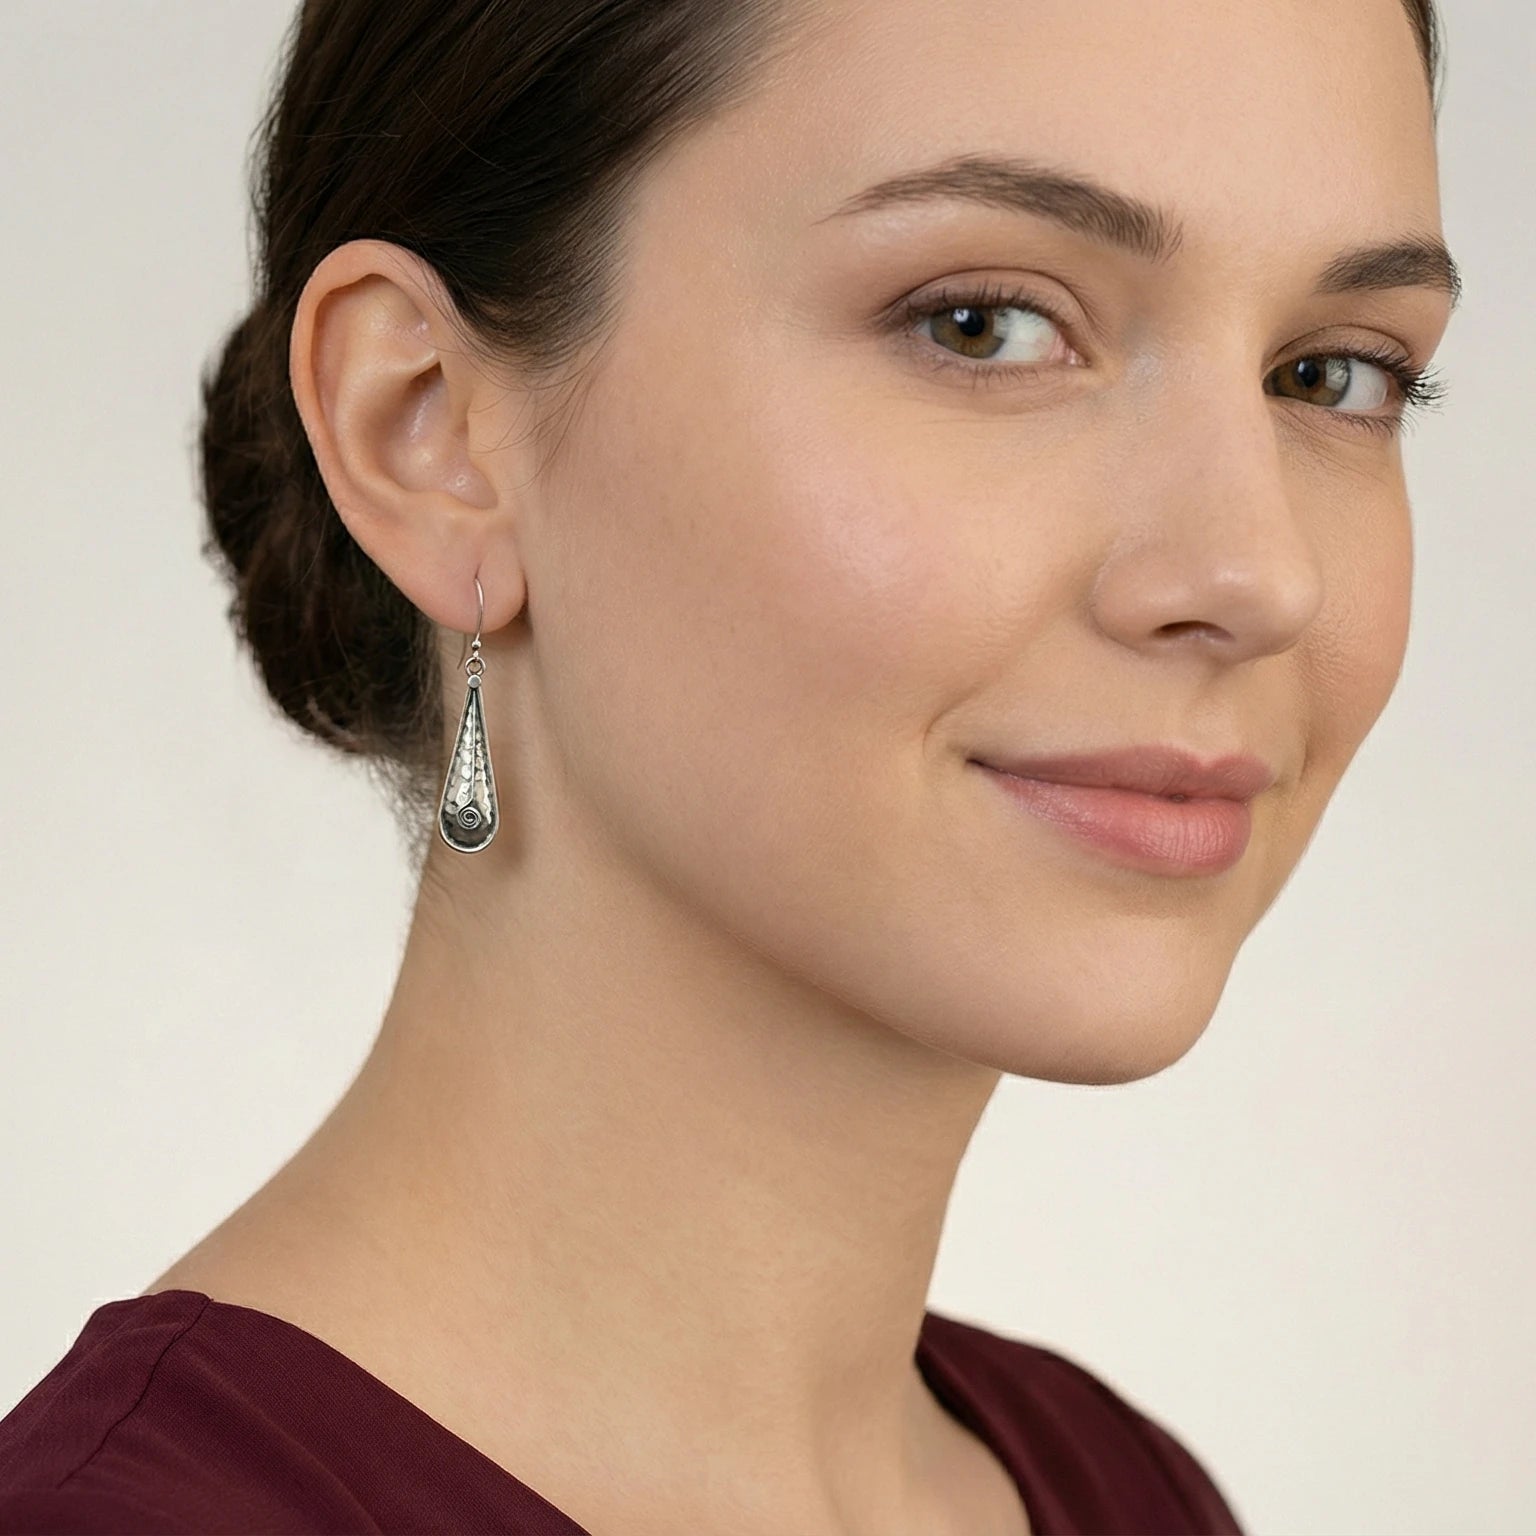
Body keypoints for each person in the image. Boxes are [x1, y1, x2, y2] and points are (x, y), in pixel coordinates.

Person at [0, 0, 1459, 1531]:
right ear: (427, 431)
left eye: (1332, 375)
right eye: (985, 323)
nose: (1257, 571)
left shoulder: (1125, 1493)